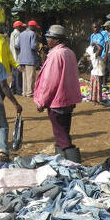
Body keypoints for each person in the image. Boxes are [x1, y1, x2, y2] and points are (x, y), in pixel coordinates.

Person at [33, 25, 83, 162]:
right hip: (68, 100)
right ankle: (62, 160)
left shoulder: (56, 55)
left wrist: (41, 101)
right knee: (63, 133)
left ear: (56, 39)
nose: (47, 40)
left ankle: (74, 163)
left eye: (48, 37)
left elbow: (50, 82)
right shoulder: (69, 52)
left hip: (57, 101)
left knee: (62, 137)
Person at [16, 21, 39, 98]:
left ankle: (24, 92)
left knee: (24, 77)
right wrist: (37, 47)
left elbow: (17, 46)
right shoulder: (32, 34)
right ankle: (30, 93)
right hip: (30, 58)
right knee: (30, 77)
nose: (36, 29)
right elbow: (33, 46)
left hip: (22, 59)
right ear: (32, 27)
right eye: (35, 27)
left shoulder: (21, 34)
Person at [9, 21, 24, 95]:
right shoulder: (18, 34)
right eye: (21, 26)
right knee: (18, 75)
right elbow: (16, 46)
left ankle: (13, 89)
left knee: (14, 75)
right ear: (18, 27)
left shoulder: (12, 33)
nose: (22, 27)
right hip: (17, 57)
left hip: (12, 57)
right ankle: (19, 90)